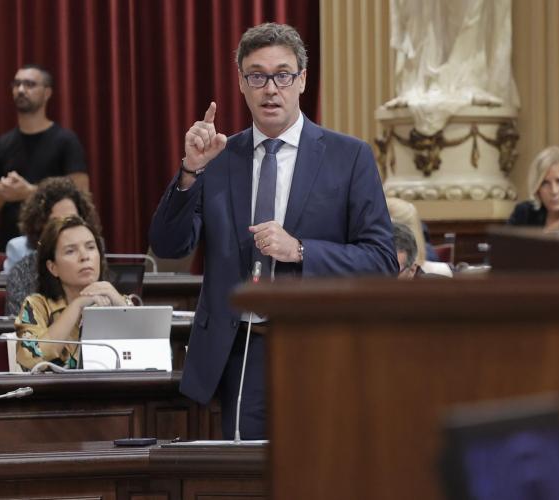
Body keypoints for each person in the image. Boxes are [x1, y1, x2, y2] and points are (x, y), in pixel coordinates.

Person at [149, 23, 397, 440]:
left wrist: (301, 250)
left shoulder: (348, 156)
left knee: (321, 467)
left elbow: (381, 261)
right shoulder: (218, 158)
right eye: (257, 76)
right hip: (243, 352)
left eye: (282, 75)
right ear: (241, 83)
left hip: (321, 350)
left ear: (302, 80)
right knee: (247, 472)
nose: (270, 89)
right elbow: (168, 245)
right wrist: (190, 170)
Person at [0, 64, 90, 250]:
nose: (21, 90)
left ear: (47, 93)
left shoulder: (66, 141)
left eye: (29, 84)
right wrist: (4, 191)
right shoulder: (3, 144)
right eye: (16, 84)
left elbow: (82, 195)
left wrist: (29, 191)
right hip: (10, 247)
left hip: (56, 245)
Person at [14, 216, 128, 371]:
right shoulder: (37, 306)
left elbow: (152, 354)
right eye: (70, 251)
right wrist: (77, 305)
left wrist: (123, 308)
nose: (85, 256)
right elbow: (29, 357)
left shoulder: (118, 301)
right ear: (53, 267)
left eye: (90, 247)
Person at [5, 177, 102, 316]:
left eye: (72, 219)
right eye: (56, 222)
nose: (65, 227)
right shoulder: (22, 273)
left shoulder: (94, 260)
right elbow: (21, 325)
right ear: (40, 225)